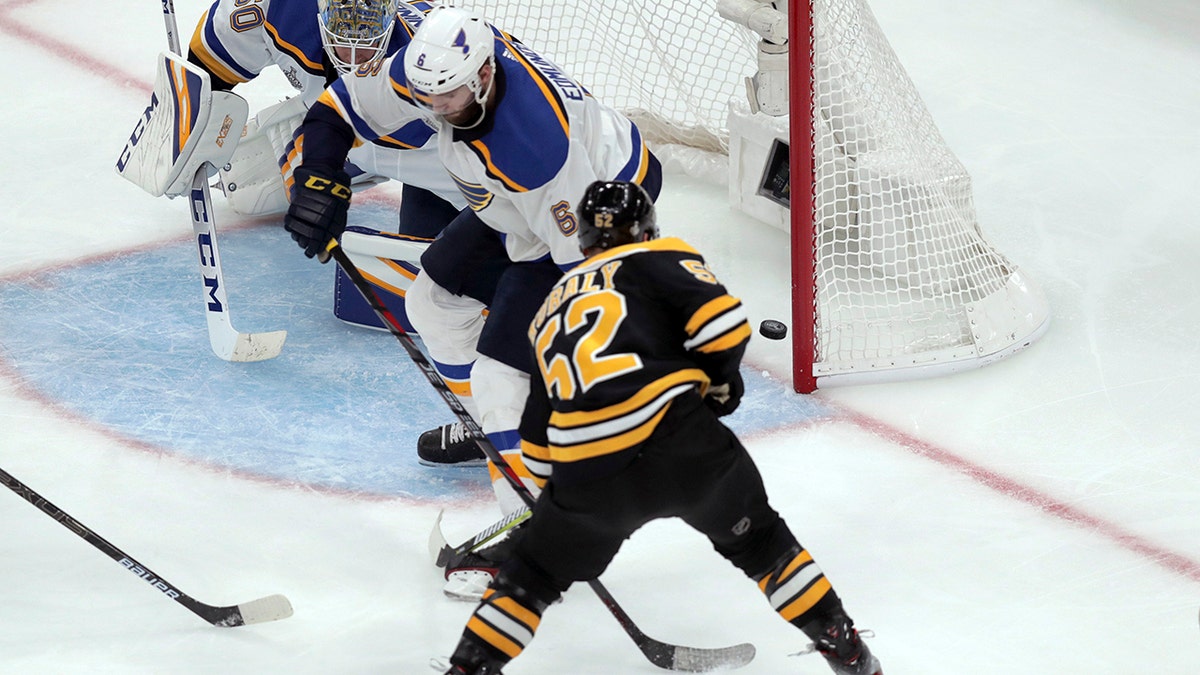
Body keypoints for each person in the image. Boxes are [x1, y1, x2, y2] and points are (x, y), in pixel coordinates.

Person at [439, 181, 883, 675]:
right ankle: (845, 650)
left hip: (588, 475)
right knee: (763, 546)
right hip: (682, 444)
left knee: (532, 579)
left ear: (582, 242)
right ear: (647, 229)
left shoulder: (549, 308)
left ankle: (469, 667)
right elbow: (724, 327)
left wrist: (555, 510)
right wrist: (716, 385)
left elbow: (537, 436)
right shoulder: (659, 256)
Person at [281, 6, 663, 531]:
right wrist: (318, 178)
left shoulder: (535, 149)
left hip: (601, 206)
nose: (435, 108)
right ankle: (494, 436)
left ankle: (540, 531)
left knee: (502, 378)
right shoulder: (434, 73)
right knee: (432, 303)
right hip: (511, 202)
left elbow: (591, 277)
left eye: (450, 98)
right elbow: (335, 111)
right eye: (426, 98)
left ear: (484, 76)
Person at [186, 0, 476, 460]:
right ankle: (351, 159)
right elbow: (204, 66)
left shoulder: (429, 65)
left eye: (367, 34)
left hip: (449, 164)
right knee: (248, 187)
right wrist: (189, 120)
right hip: (357, 128)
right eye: (343, 31)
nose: (355, 51)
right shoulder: (274, 7)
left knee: (441, 293)